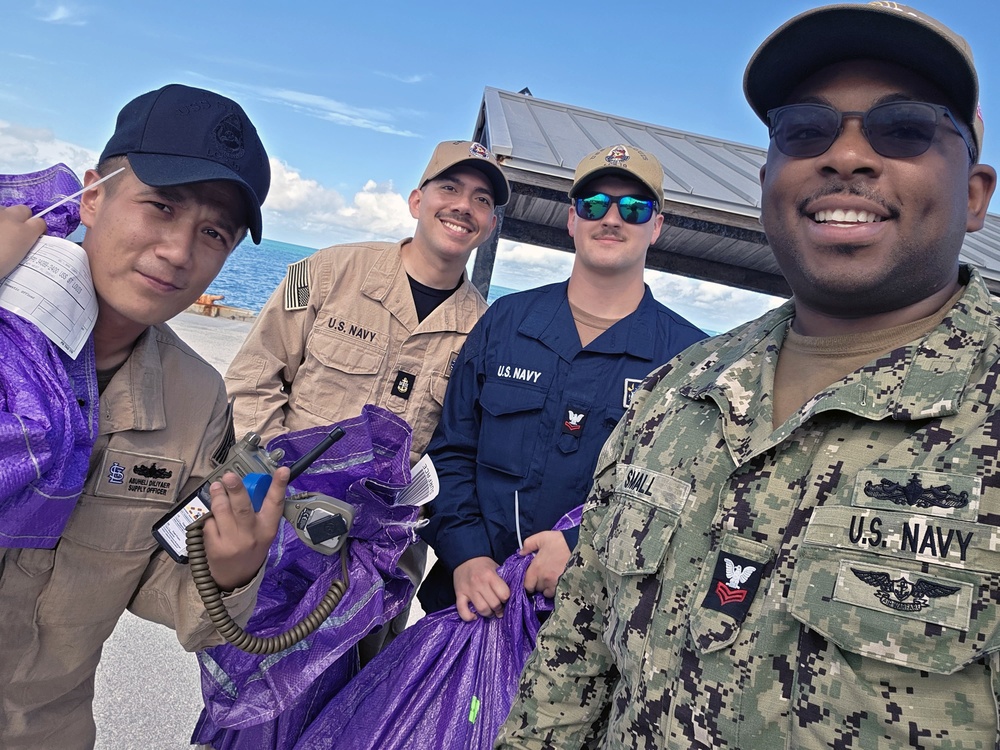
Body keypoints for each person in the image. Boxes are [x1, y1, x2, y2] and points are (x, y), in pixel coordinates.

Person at [496, 3, 1000, 748]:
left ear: (974, 194)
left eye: (905, 129)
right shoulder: (680, 392)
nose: (847, 157)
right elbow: (572, 664)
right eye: (806, 131)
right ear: (768, 179)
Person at [0, 84, 289, 750]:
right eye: (161, 206)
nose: (179, 251)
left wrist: (229, 569)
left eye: (214, 232)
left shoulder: (196, 402)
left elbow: (162, 585)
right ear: (94, 196)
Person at [224, 139, 509, 655]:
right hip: (281, 529)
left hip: (383, 559)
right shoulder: (329, 273)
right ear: (417, 201)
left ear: (489, 226)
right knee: (248, 687)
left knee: (350, 702)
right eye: (450, 187)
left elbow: (464, 453)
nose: (464, 205)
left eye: (483, 199)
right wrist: (277, 486)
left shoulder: (487, 332)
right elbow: (252, 380)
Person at [418, 145, 705, 621]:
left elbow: (686, 497)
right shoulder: (506, 322)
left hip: (593, 624)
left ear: (655, 227)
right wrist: (465, 556)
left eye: (634, 208)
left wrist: (580, 547)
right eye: (594, 204)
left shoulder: (687, 360)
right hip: (469, 604)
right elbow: (449, 450)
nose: (612, 218)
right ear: (572, 219)